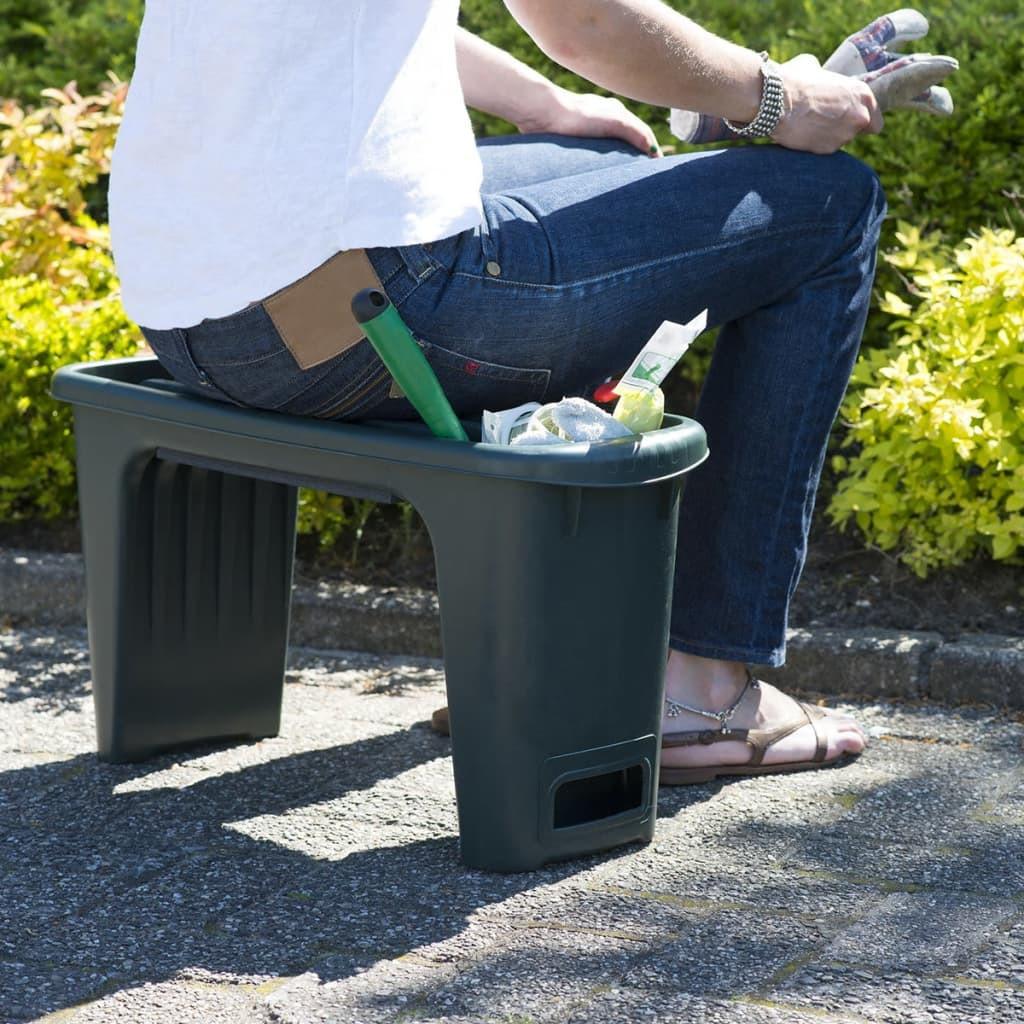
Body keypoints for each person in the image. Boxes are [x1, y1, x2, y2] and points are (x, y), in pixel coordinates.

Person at [110, 0, 886, 784]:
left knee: (623, 162)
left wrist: (542, 105)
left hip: (188, 317)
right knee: (832, 205)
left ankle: (565, 656)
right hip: (366, 313)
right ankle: (704, 691)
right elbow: (585, 22)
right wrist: (777, 97)